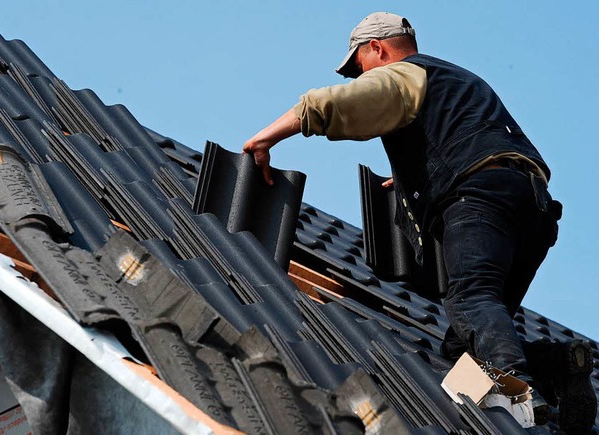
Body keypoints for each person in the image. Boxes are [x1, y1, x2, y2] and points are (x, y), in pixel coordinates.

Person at [243, 11, 596, 432]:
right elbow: (462, 136)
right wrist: (420, 172)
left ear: (378, 48)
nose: (361, 78)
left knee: (469, 299)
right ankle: (559, 366)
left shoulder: (407, 73)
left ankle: (518, 392)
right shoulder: (461, 80)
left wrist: (267, 136)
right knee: (463, 342)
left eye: (359, 67)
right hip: (533, 209)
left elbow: (336, 103)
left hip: (479, 197)